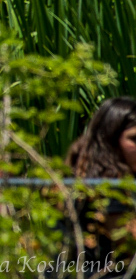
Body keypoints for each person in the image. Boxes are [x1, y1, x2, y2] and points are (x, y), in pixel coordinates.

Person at [55, 98, 136, 276]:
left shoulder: (80, 174)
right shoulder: (107, 184)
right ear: (111, 140)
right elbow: (130, 240)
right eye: (134, 139)